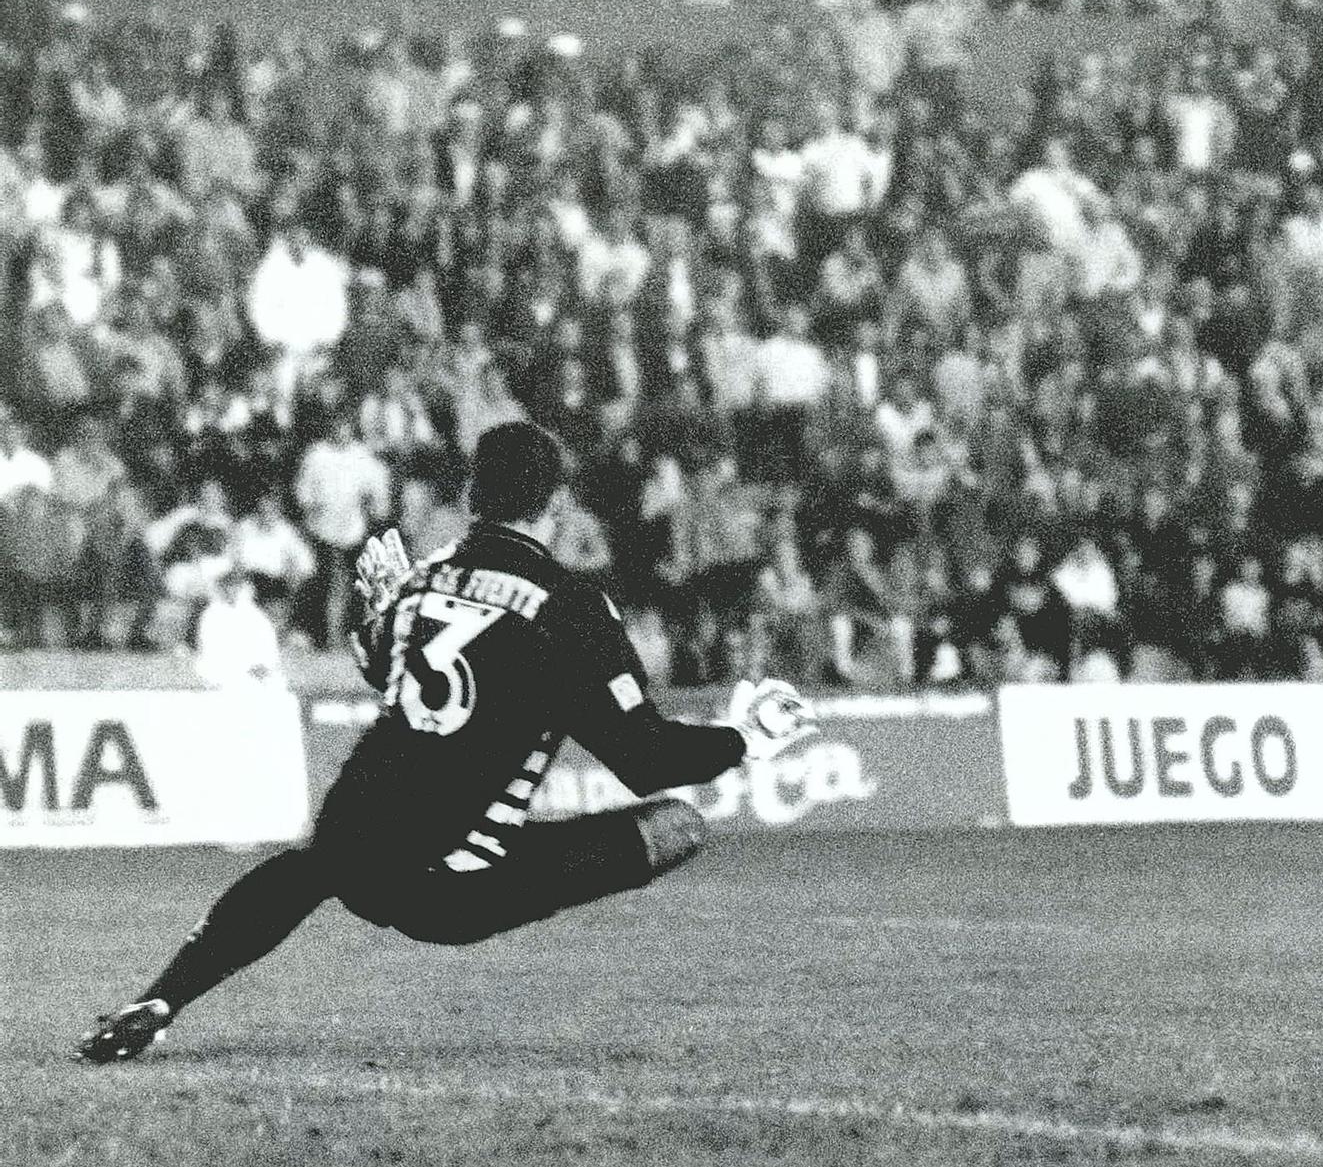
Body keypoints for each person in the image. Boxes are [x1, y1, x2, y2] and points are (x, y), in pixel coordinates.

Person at [78, 423, 816, 1062]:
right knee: (680, 825)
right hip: (454, 883)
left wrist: (384, 613)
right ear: (556, 504)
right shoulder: (569, 607)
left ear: (471, 497)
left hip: (359, 846)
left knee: (311, 865)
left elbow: (382, 667)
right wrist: (741, 739)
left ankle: (161, 1000)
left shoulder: (424, 580)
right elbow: (644, 759)